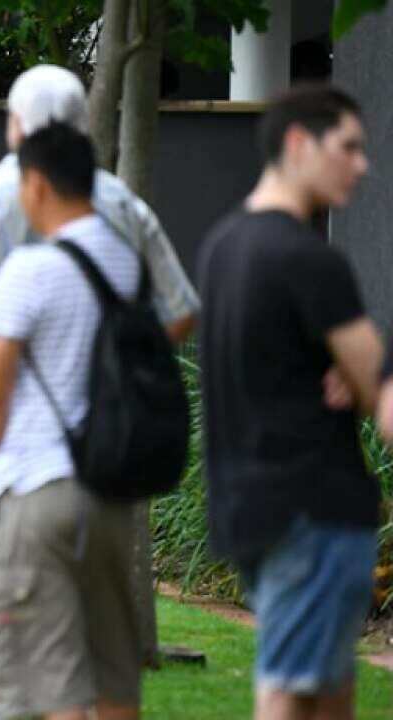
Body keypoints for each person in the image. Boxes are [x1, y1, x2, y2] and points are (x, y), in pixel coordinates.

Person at [0, 65, 199, 720]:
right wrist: (114, 359)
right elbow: (180, 309)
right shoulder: (123, 206)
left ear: (17, 127)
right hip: (106, 464)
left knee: (2, 601)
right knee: (109, 657)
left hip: (10, 456)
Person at [198, 85, 382, 720]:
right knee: (288, 691)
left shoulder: (223, 246)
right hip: (314, 511)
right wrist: (362, 382)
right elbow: (378, 388)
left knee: (329, 693)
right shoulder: (309, 259)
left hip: (250, 509)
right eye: (350, 148)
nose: (362, 165)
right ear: (300, 144)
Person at [0, 123, 142, 719]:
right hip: (110, 490)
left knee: (50, 680)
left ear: (37, 182)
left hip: (37, 482)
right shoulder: (125, 261)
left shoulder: (30, 269)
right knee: (113, 671)